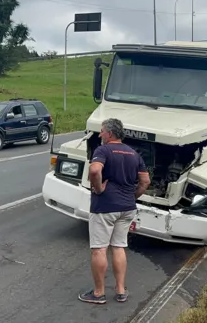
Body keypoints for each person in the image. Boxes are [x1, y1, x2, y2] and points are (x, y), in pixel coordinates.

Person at [79, 118, 150, 305]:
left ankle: (98, 293)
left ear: (109, 134)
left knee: (99, 249)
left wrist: (99, 189)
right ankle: (120, 291)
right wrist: (132, 197)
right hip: (127, 208)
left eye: (102, 131)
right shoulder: (134, 154)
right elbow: (145, 181)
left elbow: (94, 171)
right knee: (118, 246)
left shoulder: (103, 150)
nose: (100, 134)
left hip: (105, 207)